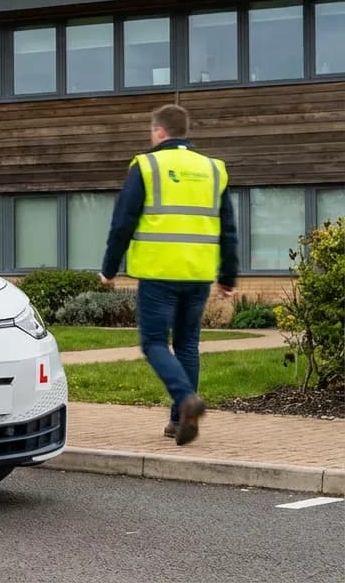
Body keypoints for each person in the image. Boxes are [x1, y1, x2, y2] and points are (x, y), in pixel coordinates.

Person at [99, 104, 238, 445]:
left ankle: (185, 399)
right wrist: (228, 277)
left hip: (158, 272)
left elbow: (123, 223)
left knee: (154, 343)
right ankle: (180, 420)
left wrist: (109, 268)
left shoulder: (146, 165)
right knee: (188, 344)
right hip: (197, 273)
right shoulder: (213, 169)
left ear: (159, 131)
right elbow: (229, 230)